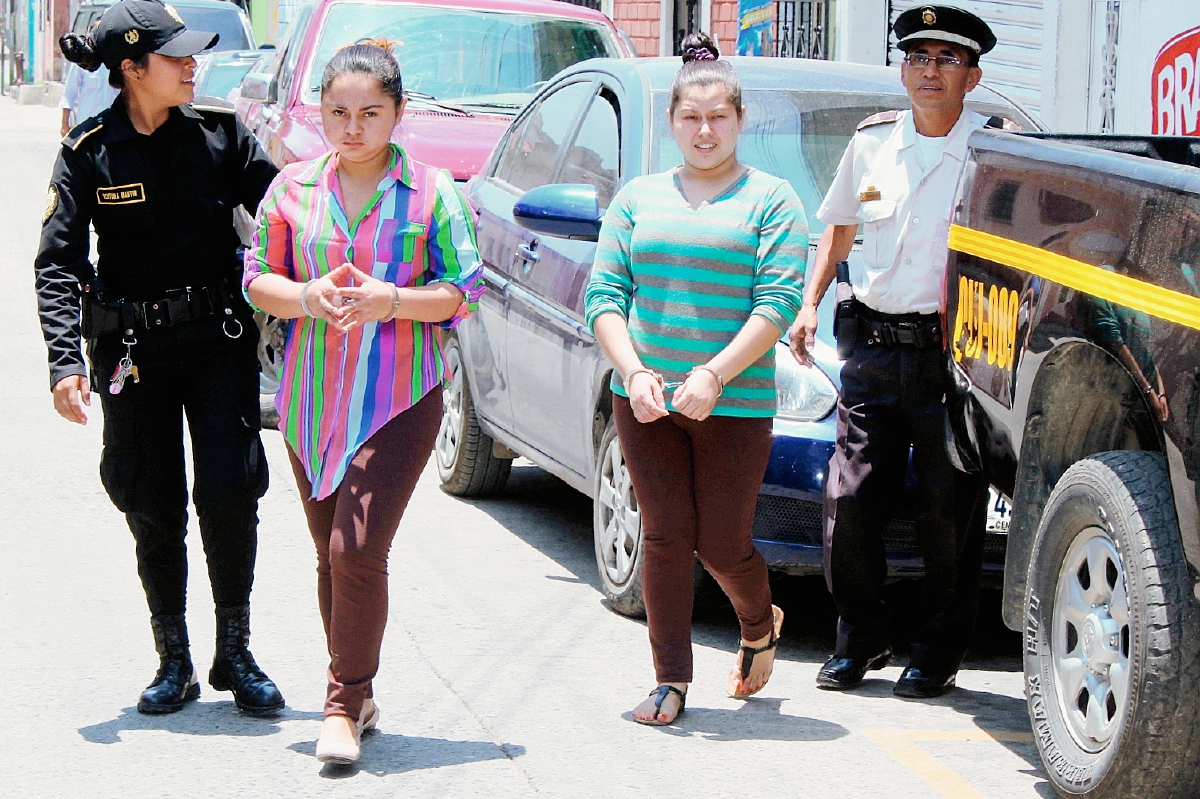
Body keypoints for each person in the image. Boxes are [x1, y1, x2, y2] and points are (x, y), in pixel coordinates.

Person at [35, 0, 284, 716]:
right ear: (131, 69)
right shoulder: (89, 152)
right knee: (151, 498)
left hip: (218, 341)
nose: (191, 65)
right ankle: (172, 658)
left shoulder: (221, 137)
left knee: (231, 490)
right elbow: (57, 263)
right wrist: (64, 362)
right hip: (132, 352)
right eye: (175, 57)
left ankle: (234, 651)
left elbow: (289, 208)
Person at [244, 39, 484, 764]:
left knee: (356, 547)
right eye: (338, 112)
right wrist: (307, 297)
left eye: (370, 113)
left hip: (398, 397)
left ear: (398, 113)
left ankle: (343, 702)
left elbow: (465, 291)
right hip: (311, 397)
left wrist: (392, 300)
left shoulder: (433, 192)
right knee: (331, 554)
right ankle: (362, 693)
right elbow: (259, 277)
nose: (353, 127)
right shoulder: (292, 188)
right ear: (320, 112)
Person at [586, 32, 807, 726]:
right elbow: (604, 297)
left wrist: (713, 373)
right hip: (645, 398)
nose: (704, 129)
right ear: (671, 121)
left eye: (718, 117)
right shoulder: (636, 199)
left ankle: (757, 620)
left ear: (740, 121)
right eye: (690, 116)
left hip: (734, 402)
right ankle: (670, 680)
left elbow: (776, 304)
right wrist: (634, 371)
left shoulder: (773, 201)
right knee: (665, 532)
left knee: (720, 540)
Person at [789, 5, 997, 698]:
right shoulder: (873, 142)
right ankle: (861, 637)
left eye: (945, 59)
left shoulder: (994, 151)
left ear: (972, 74)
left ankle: (936, 651)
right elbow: (839, 228)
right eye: (917, 57)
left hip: (953, 359)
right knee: (848, 506)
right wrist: (809, 301)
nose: (928, 71)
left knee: (948, 514)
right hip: (873, 347)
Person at [59, 24, 120, 138]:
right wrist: (64, 125)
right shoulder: (81, 63)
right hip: (86, 125)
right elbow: (69, 93)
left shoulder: (118, 62)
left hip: (114, 126)